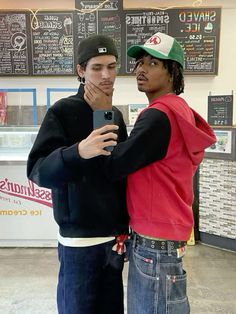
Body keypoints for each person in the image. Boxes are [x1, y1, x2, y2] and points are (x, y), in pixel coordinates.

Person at [77, 32, 217, 314]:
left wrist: (104, 113)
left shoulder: (158, 116)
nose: (141, 69)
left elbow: (115, 165)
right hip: (165, 240)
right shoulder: (178, 111)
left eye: (153, 63)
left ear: (172, 71)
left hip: (154, 245)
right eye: (140, 62)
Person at [27, 35, 129, 314]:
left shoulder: (114, 115)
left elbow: (118, 172)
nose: (106, 75)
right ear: (81, 70)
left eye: (111, 66)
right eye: (97, 67)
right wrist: (78, 151)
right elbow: (38, 172)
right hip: (78, 244)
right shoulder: (62, 111)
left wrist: (125, 227)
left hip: (113, 242)